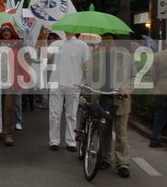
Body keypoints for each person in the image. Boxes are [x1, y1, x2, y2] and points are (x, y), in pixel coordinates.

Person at [89, 33, 135, 178]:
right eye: (104, 42)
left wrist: (127, 89)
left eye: (110, 42)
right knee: (105, 131)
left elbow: (134, 76)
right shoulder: (98, 57)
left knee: (121, 133)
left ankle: (122, 163)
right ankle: (105, 159)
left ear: (115, 43)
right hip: (103, 98)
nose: (107, 45)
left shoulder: (125, 57)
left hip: (120, 100)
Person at [48, 32, 90, 152]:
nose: (67, 31)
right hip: (57, 82)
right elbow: (46, 55)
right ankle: (54, 141)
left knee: (71, 114)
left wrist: (83, 80)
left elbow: (87, 64)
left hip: (73, 84)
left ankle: (70, 141)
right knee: (55, 114)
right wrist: (42, 38)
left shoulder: (82, 45)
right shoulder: (57, 43)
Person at [149, 45, 167, 148]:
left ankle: (154, 139)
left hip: (161, 88)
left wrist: (157, 83)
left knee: (160, 115)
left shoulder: (158, 56)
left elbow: (153, 74)